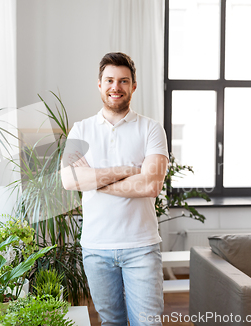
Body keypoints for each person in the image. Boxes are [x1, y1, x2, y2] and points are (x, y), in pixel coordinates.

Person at [61, 52, 168, 326]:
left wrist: (94, 180)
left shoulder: (151, 129)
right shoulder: (81, 130)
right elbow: (70, 180)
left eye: (123, 81)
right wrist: (128, 171)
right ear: (99, 84)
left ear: (133, 86)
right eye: (109, 80)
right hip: (96, 248)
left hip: (141, 247)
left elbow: (151, 184)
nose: (115, 87)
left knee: (148, 323)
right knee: (111, 323)